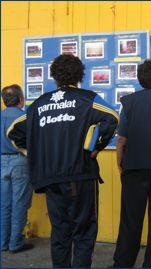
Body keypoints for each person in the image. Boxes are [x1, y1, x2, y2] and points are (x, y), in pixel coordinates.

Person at [8, 54, 119, 267]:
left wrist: (38, 153)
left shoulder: (39, 105)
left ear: (54, 76)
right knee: (84, 232)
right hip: (81, 175)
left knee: (60, 233)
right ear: (79, 74)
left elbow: (14, 132)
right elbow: (113, 118)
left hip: (51, 179)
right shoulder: (88, 98)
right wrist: (94, 146)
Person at [112, 59, 151, 268]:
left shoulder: (129, 103)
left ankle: (123, 263)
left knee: (130, 220)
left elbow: (121, 139)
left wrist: (121, 165)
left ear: (140, 80)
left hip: (134, 170)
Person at [1, 84, 34, 254]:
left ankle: (3, 242)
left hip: (1, 162)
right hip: (20, 162)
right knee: (19, 203)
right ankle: (15, 243)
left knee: (4, 204)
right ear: (21, 99)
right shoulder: (24, 118)